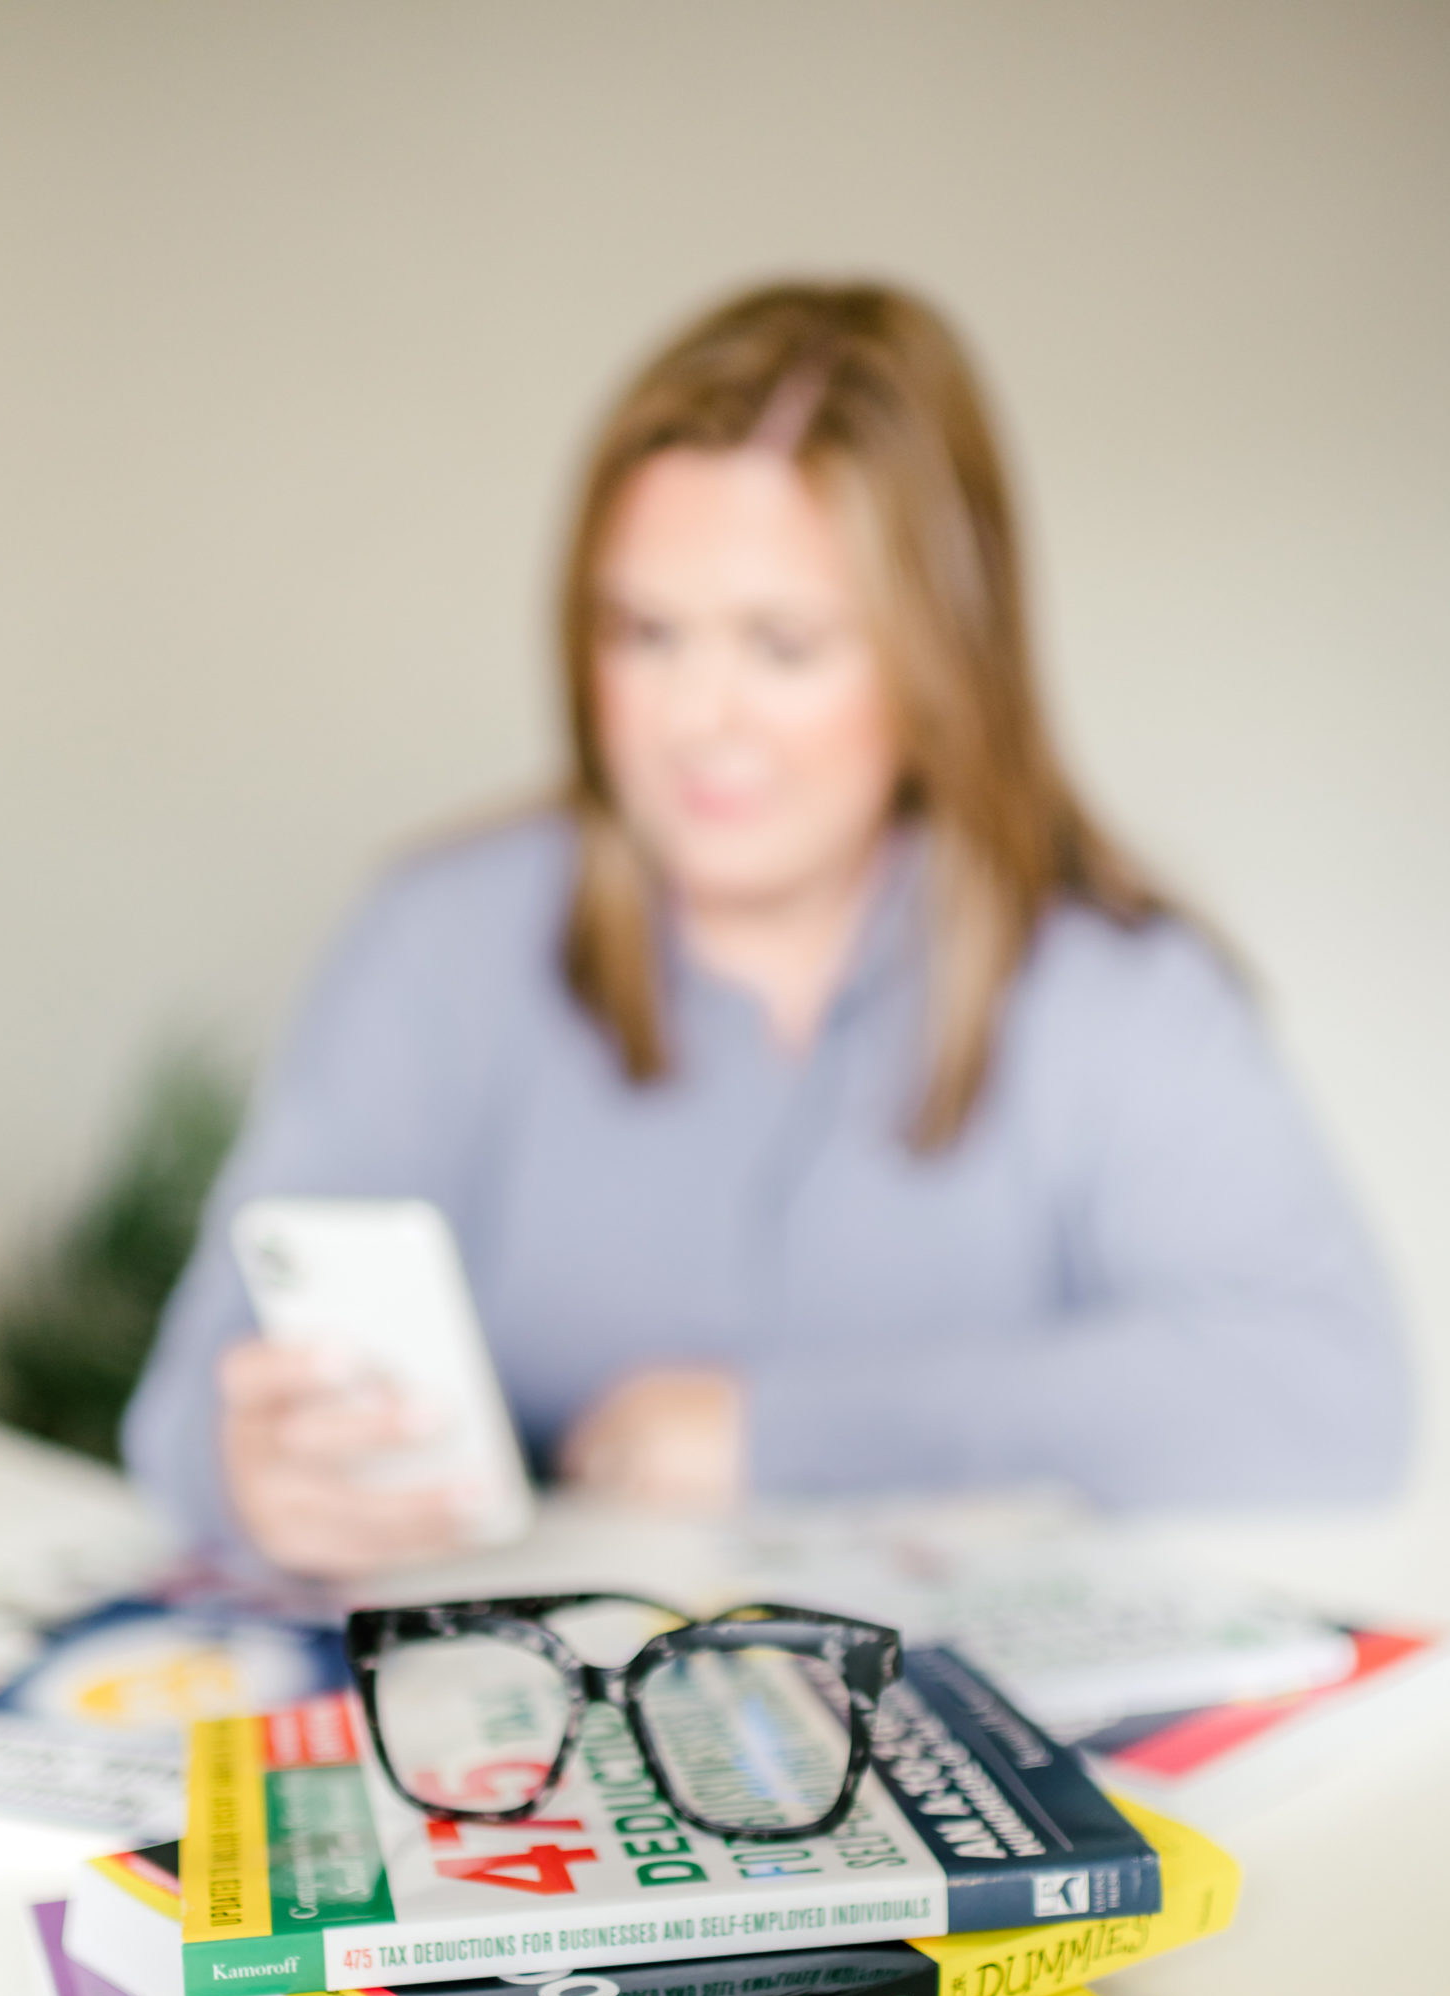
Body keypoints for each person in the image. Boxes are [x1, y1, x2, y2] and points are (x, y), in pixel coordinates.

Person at [125, 281, 1412, 1577]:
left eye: (782, 646)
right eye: (645, 634)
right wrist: (253, 1474)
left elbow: (1329, 1393)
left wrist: (776, 1432)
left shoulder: (1116, 991)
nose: (698, 720)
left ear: (938, 662)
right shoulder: (439, 942)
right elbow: (186, 1410)